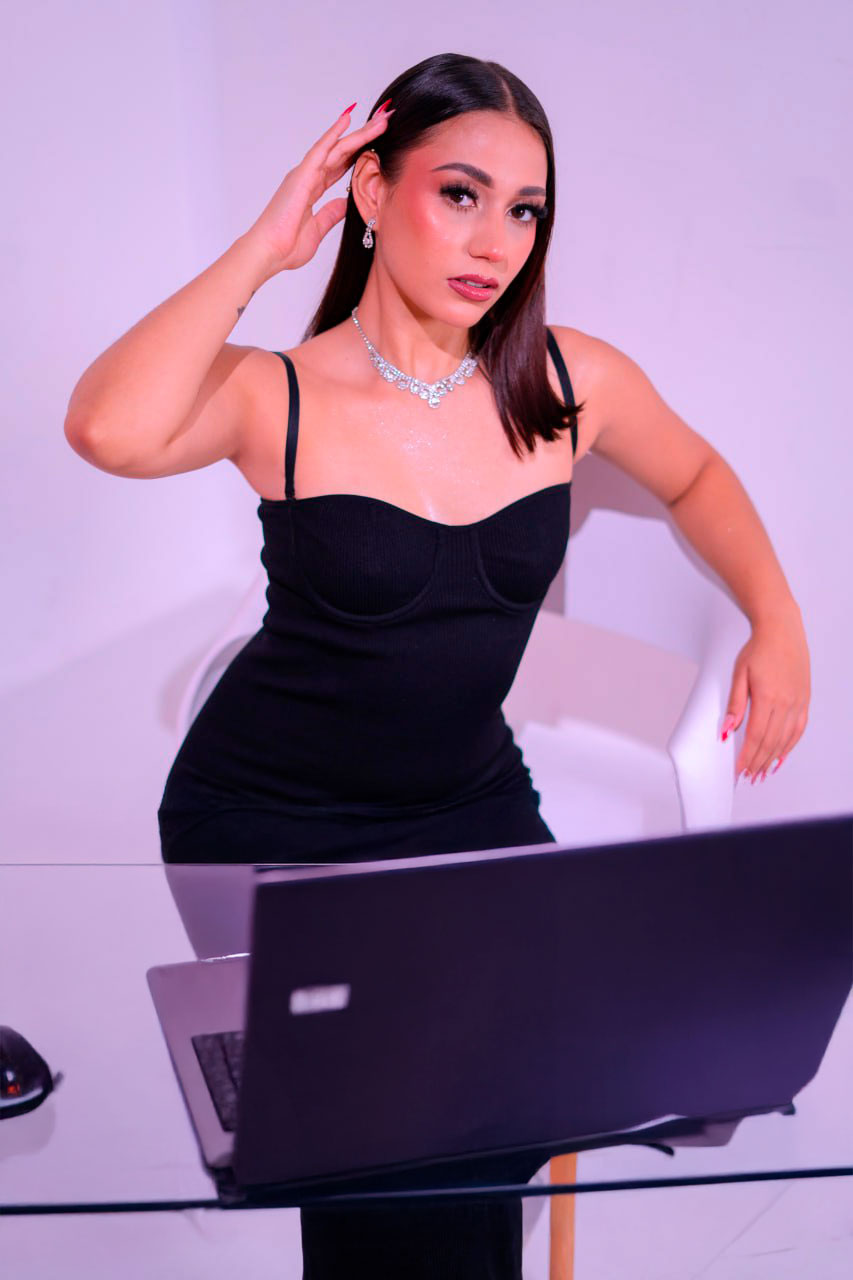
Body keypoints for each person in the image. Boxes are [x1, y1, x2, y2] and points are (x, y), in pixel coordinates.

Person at [64, 51, 811, 1280]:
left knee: (506, 1101)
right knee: (388, 1140)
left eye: (523, 209)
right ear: (371, 191)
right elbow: (106, 425)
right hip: (270, 816)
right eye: (458, 193)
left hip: (465, 797)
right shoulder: (278, 392)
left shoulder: (565, 382)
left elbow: (694, 475)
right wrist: (263, 250)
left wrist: (776, 616)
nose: (494, 240)